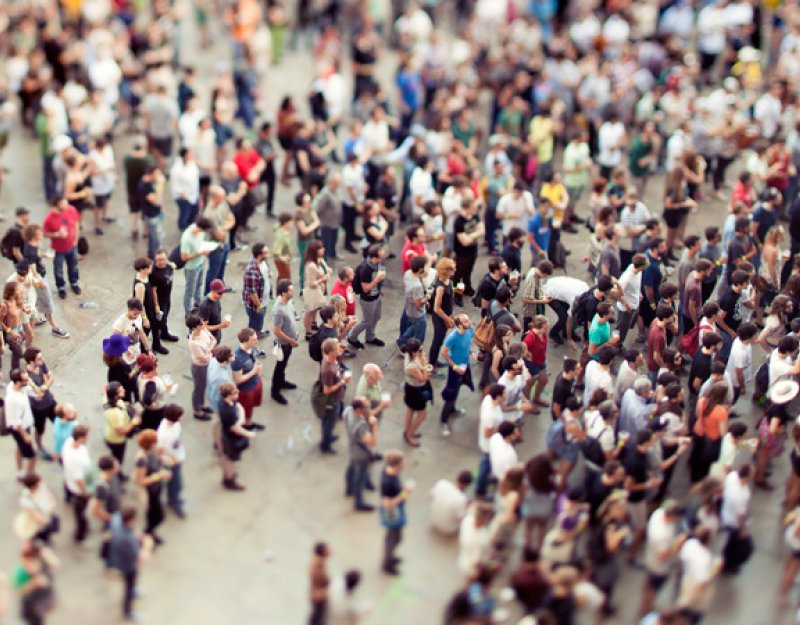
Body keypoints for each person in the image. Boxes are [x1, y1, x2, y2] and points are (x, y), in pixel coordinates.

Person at [108, 506, 153, 621]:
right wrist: (148, 546)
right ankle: (128, 612)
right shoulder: (128, 540)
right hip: (127, 565)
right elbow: (139, 559)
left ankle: (133, 590)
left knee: (131, 582)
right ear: (130, 520)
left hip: (116, 556)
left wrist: (137, 534)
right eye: (135, 518)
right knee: (128, 585)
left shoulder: (116, 519)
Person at [439, 314, 475, 436]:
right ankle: (443, 421)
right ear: (460, 325)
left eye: (468, 319)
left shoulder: (470, 329)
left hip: (466, 365)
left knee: (459, 387)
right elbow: (444, 353)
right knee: (451, 394)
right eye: (466, 321)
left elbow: (469, 343)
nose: (470, 322)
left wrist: (472, 352)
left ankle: (453, 409)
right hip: (455, 368)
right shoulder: (452, 337)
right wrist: (454, 367)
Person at [133, 429, 170, 545]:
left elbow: (157, 462)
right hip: (149, 492)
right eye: (155, 441)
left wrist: (162, 458)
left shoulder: (151, 452)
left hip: (156, 489)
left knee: (156, 516)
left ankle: (149, 532)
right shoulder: (141, 459)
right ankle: (147, 533)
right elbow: (140, 480)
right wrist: (158, 476)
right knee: (157, 516)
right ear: (150, 444)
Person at [380, 450, 413, 576]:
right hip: (392, 512)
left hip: (397, 508)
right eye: (402, 462)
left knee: (396, 536)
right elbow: (388, 503)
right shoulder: (388, 482)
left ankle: (390, 556)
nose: (404, 463)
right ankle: (387, 563)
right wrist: (405, 492)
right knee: (393, 537)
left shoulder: (391, 472)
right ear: (396, 465)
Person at [348, 244, 386, 349]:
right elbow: (365, 289)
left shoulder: (378, 263)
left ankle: (370, 337)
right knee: (367, 321)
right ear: (375, 257)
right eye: (381, 255)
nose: (384, 256)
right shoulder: (365, 268)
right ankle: (352, 337)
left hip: (376, 296)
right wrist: (377, 280)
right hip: (368, 299)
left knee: (377, 316)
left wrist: (379, 289)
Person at [41, 196, 80, 299]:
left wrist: (76, 239)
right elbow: (45, 234)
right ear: (57, 205)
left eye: (66, 202)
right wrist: (57, 234)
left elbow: (76, 223)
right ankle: (61, 287)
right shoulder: (49, 218)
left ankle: (74, 283)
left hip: (72, 246)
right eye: (63, 203)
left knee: (74, 266)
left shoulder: (71, 209)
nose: (66, 205)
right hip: (58, 249)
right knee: (58, 269)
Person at [344, 397, 379, 512]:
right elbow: (372, 442)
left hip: (352, 446)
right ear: (359, 409)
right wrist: (374, 426)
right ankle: (358, 503)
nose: (368, 407)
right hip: (361, 453)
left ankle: (349, 489)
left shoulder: (348, 411)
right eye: (366, 406)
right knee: (360, 477)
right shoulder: (361, 426)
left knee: (351, 467)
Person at [61, 424, 91, 543]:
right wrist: (86, 492)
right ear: (81, 438)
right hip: (79, 489)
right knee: (80, 512)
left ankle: (68, 498)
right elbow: (79, 479)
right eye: (87, 435)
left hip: (69, 481)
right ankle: (80, 534)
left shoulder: (69, 442)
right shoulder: (77, 458)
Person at [271, 279, 299, 405]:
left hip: (289, 342)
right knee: (279, 367)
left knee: (283, 365)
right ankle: (275, 392)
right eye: (291, 290)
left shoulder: (288, 301)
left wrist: (295, 318)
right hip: (283, 344)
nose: (293, 291)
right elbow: (276, 331)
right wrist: (291, 340)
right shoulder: (278, 310)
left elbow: (292, 312)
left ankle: (282, 382)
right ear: (283, 293)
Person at [157, 404, 187, 519]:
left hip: (178, 457)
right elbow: (159, 451)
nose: (182, 417)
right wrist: (170, 460)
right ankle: (174, 502)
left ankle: (173, 498)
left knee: (176, 483)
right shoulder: (164, 434)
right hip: (172, 461)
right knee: (175, 483)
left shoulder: (175, 424)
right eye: (181, 415)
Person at [231, 327, 265, 430]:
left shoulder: (252, 348)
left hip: (256, 381)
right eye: (254, 340)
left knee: (251, 407)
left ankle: (249, 422)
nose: (257, 341)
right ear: (245, 341)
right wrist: (254, 372)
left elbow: (254, 361)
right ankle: (245, 425)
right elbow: (237, 380)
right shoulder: (237, 358)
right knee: (246, 409)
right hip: (246, 389)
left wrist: (257, 373)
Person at [103, 382, 138, 480]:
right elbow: (121, 431)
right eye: (121, 391)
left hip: (110, 433)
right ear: (115, 395)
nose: (124, 390)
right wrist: (134, 422)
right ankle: (115, 474)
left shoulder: (108, 399)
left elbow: (104, 390)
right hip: (116, 440)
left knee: (114, 455)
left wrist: (126, 405)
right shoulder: (114, 413)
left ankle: (112, 465)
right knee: (118, 459)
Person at [6, 367, 36, 478]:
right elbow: (16, 421)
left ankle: (20, 471)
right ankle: (30, 480)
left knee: (19, 447)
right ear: (18, 382)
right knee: (32, 457)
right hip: (19, 428)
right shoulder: (13, 400)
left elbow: (38, 395)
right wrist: (25, 436)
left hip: (24, 425)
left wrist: (31, 384)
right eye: (25, 380)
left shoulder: (14, 386)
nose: (28, 381)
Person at [180, 216, 214, 314]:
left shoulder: (200, 231)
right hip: (192, 267)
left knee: (199, 285)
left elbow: (200, 243)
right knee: (189, 291)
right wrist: (201, 253)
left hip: (200, 262)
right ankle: (188, 312)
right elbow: (184, 257)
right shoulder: (187, 238)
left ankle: (199, 304)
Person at [320, 338, 348, 454]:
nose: (339, 349)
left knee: (329, 421)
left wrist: (340, 353)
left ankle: (328, 436)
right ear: (331, 352)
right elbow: (326, 390)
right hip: (332, 400)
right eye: (337, 349)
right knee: (329, 423)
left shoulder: (332, 360)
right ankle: (325, 445)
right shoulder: (328, 370)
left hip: (337, 398)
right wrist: (342, 382)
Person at [186, 313, 217, 421]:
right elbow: (204, 358)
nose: (203, 325)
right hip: (199, 368)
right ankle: (197, 410)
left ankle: (202, 405)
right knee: (198, 389)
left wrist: (208, 351)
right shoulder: (193, 342)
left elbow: (214, 340)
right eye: (200, 324)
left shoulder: (203, 330)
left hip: (207, 364)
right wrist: (210, 350)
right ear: (194, 327)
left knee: (203, 386)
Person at [430, 471, 473, 536]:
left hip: (434, 520)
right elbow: (462, 518)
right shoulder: (461, 499)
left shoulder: (442, 483)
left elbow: (430, 496)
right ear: (466, 485)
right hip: (448, 529)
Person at [242, 242, 271, 338]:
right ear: (259, 255)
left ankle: (258, 331)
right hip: (256, 304)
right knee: (255, 324)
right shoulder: (251, 271)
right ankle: (253, 338)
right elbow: (252, 293)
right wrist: (259, 306)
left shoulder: (263, 262)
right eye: (266, 253)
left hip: (263, 300)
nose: (268, 254)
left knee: (259, 320)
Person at [196, 279, 232, 343]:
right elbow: (203, 328)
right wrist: (221, 326)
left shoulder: (216, 298)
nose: (222, 295)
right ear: (212, 291)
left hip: (216, 335)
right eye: (219, 293)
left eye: (222, 292)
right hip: (209, 339)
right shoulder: (205, 306)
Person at [308, 542, 331, 625]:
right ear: (323, 551)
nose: (330, 551)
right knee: (318, 619)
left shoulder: (319, 562)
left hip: (317, 594)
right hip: (319, 596)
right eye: (327, 549)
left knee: (316, 617)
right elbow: (321, 579)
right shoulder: (317, 564)